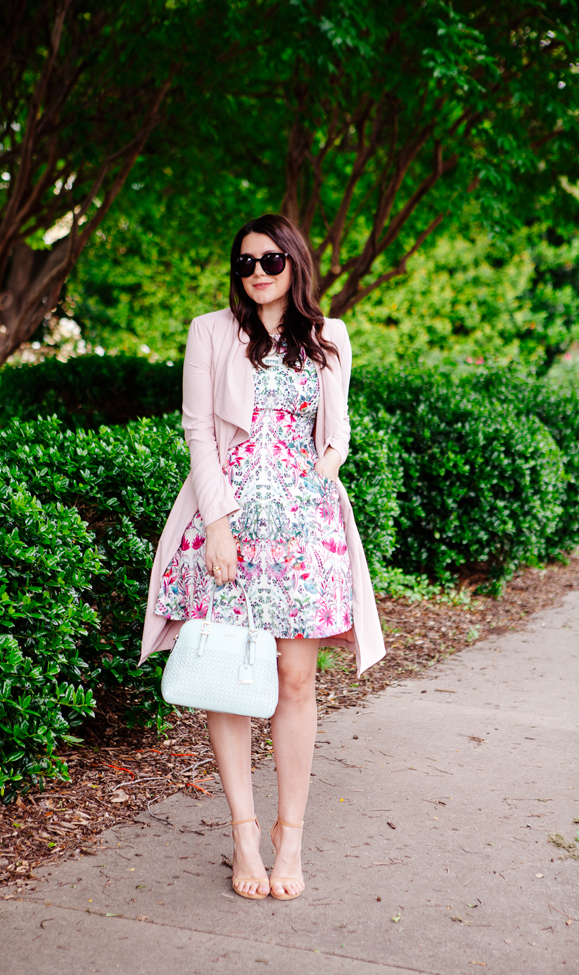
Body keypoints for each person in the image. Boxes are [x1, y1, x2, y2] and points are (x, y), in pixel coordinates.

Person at [140, 214, 385, 901]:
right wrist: (217, 524)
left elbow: (335, 436)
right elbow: (198, 430)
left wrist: (324, 469)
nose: (257, 272)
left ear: (294, 263)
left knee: (295, 679)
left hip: (306, 529)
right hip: (232, 527)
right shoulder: (211, 331)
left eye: (271, 260)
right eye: (245, 262)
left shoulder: (331, 335)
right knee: (228, 676)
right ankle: (244, 833)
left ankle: (290, 835)